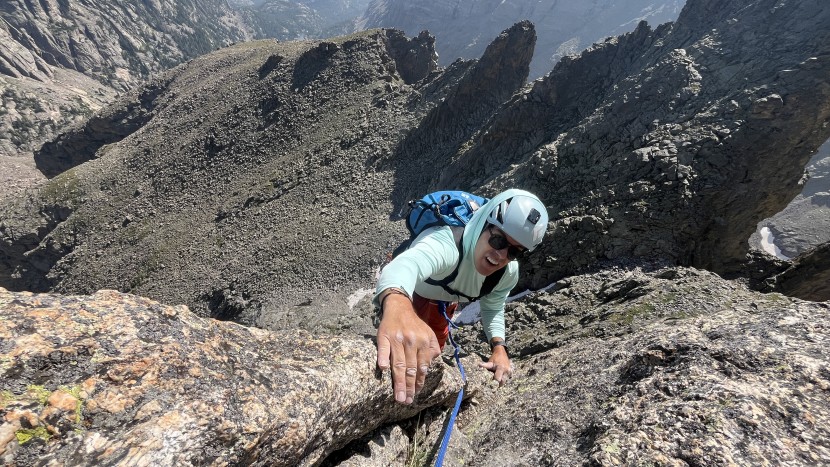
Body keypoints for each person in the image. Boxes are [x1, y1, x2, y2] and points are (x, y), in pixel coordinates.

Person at [374, 188, 549, 404]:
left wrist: (499, 347)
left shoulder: (507, 273)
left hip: (444, 301)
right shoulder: (446, 243)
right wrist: (398, 305)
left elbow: (493, 306)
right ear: (483, 223)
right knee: (405, 343)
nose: (502, 255)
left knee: (433, 350)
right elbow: (405, 266)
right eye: (498, 241)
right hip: (412, 293)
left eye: (514, 252)